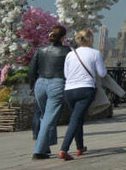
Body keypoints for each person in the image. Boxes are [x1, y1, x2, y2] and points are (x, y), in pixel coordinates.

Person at [61, 29, 105, 160]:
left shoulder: (70, 54)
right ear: (91, 39)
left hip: (69, 90)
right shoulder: (95, 53)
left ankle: (80, 147)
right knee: (75, 119)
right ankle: (64, 149)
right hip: (85, 89)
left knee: (77, 117)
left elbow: (66, 74)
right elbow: (102, 73)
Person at [29, 24, 70, 160]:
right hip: (57, 83)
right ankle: (39, 150)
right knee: (48, 117)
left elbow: (32, 70)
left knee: (43, 116)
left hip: (40, 83)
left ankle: (46, 146)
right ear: (63, 37)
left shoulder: (40, 50)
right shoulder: (67, 51)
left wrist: (32, 86)